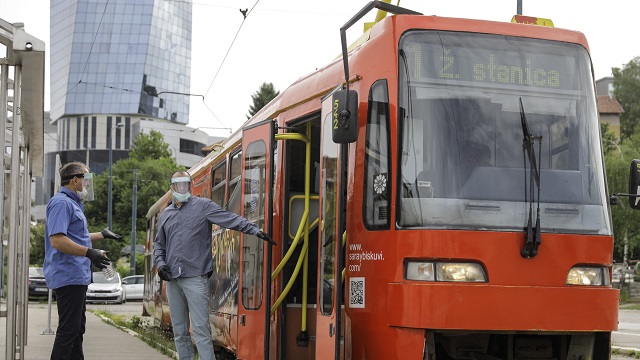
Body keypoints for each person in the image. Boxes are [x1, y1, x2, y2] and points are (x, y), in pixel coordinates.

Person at [154, 170, 276, 360]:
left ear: (191, 186)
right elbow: (159, 245)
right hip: (172, 280)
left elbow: (230, 219)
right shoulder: (166, 214)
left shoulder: (203, 206)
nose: (182, 188)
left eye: (185, 184)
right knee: (179, 332)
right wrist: (161, 264)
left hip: (195, 277)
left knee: (201, 331)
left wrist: (253, 229)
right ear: (172, 187)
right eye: (178, 185)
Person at [43, 161, 123, 360]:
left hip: (76, 276)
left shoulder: (72, 203)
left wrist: (101, 235)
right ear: (75, 180)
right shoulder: (61, 202)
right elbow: (58, 240)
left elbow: (75, 236)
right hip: (68, 274)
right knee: (69, 331)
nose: (87, 185)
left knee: (77, 330)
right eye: (86, 181)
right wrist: (89, 252)